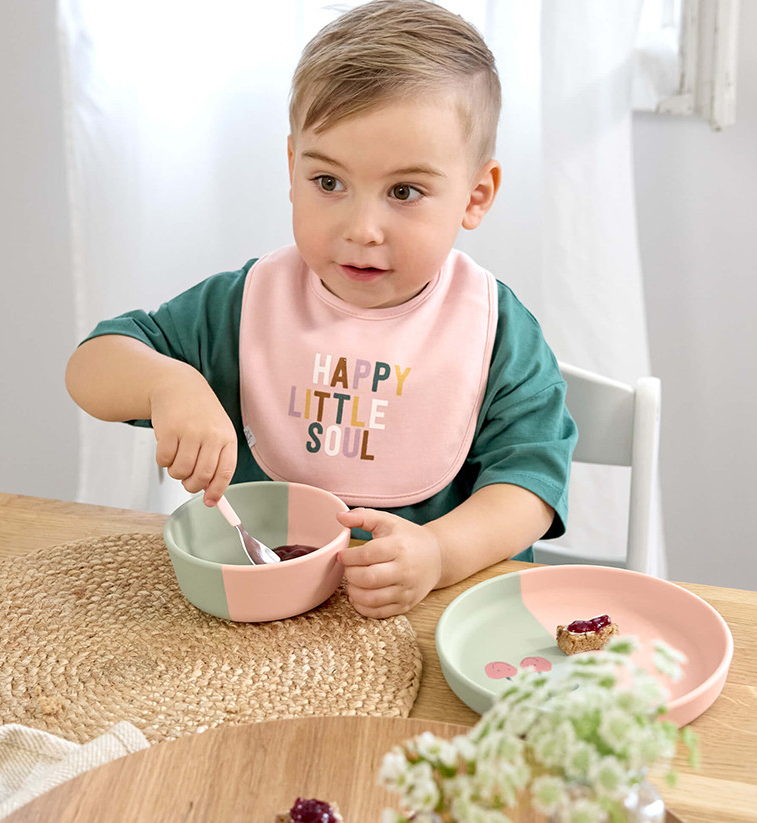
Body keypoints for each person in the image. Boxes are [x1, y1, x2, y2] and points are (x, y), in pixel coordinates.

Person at [65, 0, 577, 619]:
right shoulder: (245, 306)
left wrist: (439, 553)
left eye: (405, 192)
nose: (362, 228)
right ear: (290, 168)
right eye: (328, 182)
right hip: (258, 635)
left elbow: (532, 485)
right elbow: (91, 368)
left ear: (475, 195)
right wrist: (166, 383)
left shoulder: (495, 329)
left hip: (430, 619)